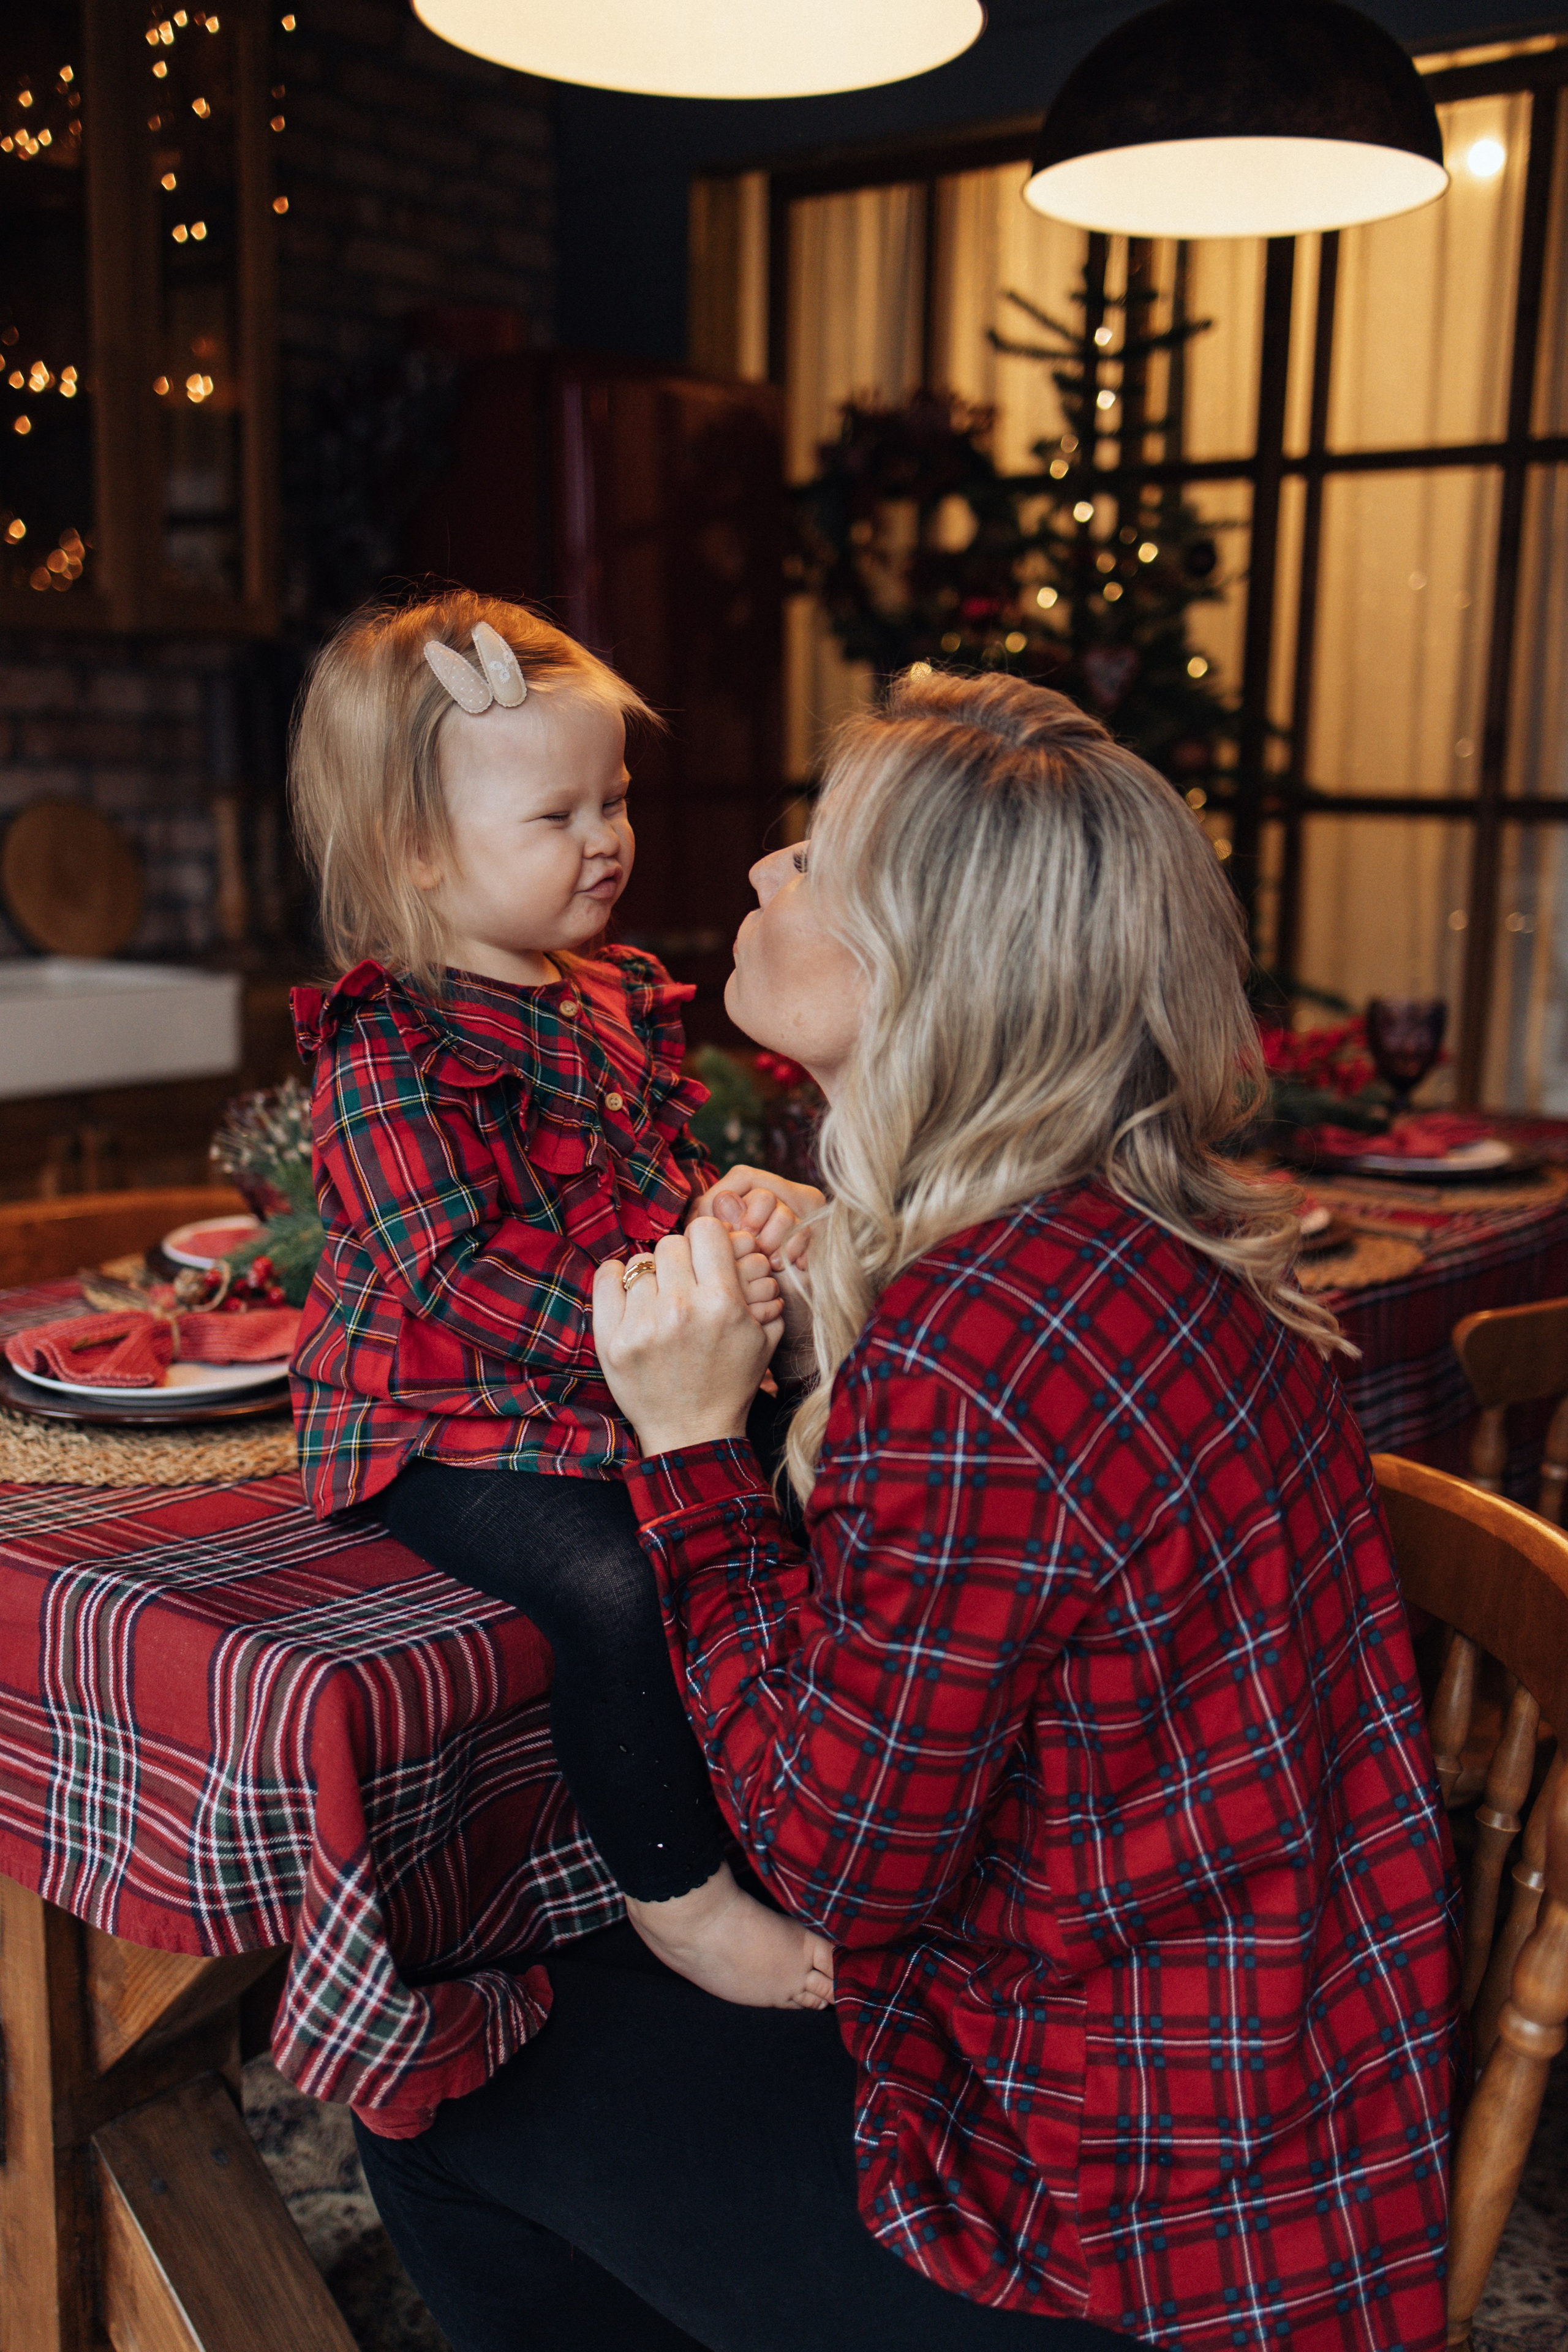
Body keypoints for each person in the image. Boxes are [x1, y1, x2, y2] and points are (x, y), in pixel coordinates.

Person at [353, 671, 1461, 2352]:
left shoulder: (983, 1347)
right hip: (1284, 2124)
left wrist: (691, 1444)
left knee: (430, 2085)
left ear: (919, 963)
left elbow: (834, 1854)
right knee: (610, 1991)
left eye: (814, 856)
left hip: (1120, 2232)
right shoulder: (1132, 1240)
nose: (755, 873)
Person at [287, 589, 833, 2011]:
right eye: (555, 815)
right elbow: (451, 1273)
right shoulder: (386, 1042)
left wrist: (719, 1216)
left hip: (617, 1381)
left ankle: (800, 1813)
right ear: (417, 852)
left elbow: (650, 1167)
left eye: (615, 798)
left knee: (790, 1496)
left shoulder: (609, 997)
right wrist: (649, 1308)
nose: (605, 837)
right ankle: (679, 1897)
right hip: (440, 1419)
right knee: (614, 1574)